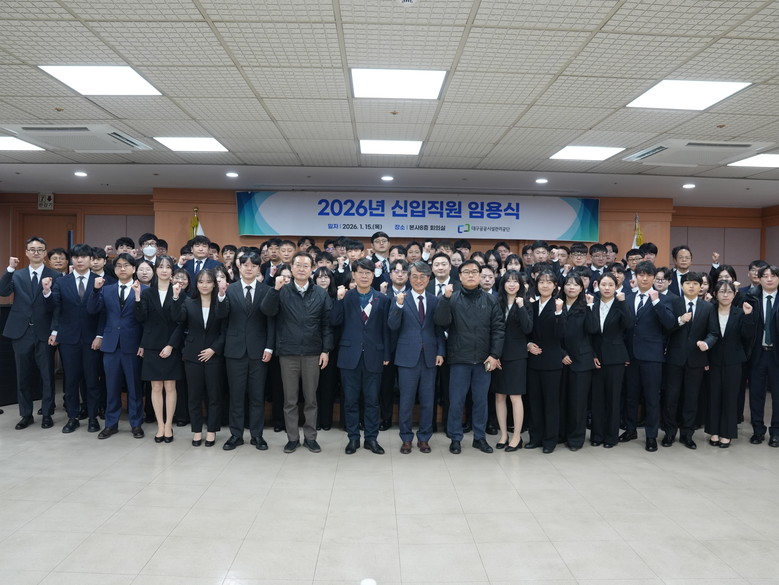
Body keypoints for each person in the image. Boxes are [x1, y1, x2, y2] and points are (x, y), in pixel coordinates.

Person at [261, 252, 333, 453]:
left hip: (312, 352)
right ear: (291, 268)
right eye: (298, 265)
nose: (301, 269)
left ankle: (310, 437)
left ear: (312, 269)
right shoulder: (281, 290)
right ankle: (292, 438)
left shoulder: (320, 293)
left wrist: (325, 350)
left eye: (306, 265)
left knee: (311, 399)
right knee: (290, 400)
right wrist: (275, 289)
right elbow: (267, 311)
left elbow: (327, 325)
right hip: (288, 352)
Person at [434, 259, 505, 454]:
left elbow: (498, 330)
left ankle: (479, 438)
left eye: (475, 271)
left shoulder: (491, 300)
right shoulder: (452, 298)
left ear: (480, 275)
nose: (471, 275)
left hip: (484, 360)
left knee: (481, 401)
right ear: (460, 276)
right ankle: (455, 438)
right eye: (467, 272)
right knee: (456, 402)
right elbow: (441, 322)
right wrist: (445, 299)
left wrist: (494, 355)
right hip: (459, 359)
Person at [330, 257, 391, 454]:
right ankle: (353, 438)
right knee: (350, 400)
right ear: (354, 275)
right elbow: (334, 321)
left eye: (368, 273)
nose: (364, 276)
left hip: (375, 355)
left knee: (372, 401)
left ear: (373, 275)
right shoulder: (346, 297)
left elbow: (386, 329)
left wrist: (386, 353)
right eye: (360, 273)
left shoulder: (383, 299)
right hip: (349, 356)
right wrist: (338, 300)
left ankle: (371, 439)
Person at [1, 236, 60, 429]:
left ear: (45, 253)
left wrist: (55, 330)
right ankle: (25, 414)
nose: (36, 252)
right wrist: (10, 269)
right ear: (26, 252)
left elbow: (58, 307)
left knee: (47, 376)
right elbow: (3, 291)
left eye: (40, 249)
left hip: (44, 332)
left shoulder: (55, 275)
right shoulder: (17, 275)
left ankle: (47, 414)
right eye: (32, 249)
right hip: (21, 331)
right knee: (23, 375)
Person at [387, 260, 445, 454]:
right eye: (414, 276)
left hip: (429, 357)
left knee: (428, 400)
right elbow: (392, 325)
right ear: (409, 278)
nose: (418, 280)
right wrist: (398, 305)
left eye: (422, 277)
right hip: (406, 358)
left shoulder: (435, 300)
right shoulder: (400, 298)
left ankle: (424, 438)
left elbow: (439, 330)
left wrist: (440, 351)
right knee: (406, 400)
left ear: (428, 279)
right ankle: (406, 438)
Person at [219, 252, 275, 451]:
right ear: (239, 267)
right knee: (236, 395)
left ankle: (257, 435)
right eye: (245, 265)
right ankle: (236, 435)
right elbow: (221, 316)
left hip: (259, 351)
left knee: (257, 396)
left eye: (253, 265)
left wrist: (269, 346)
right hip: (234, 351)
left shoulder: (267, 290)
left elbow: (271, 322)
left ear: (259, 268)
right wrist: (221, 295)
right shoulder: (230, 289)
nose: (249, 268)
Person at [87, 253, 146, 439]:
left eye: (126, 265)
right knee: (111, 387)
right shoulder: (107, 289)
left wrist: (143, 343)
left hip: (133, 345)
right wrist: (95, 291)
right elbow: (92, 310)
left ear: (134, 269)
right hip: (111, 345)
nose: (122, 268)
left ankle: (136, 424)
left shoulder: (144, 289)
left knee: (134, 387)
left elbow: (146, 321)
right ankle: (111, 424)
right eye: (119, 265)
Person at [47, 243, 102, 434]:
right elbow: (55, 308)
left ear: (91, 259)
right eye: (76, 257)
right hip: (68, 338)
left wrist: (99, 335)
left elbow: (104, 313)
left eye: (84, 257)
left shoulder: (100, 281)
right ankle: (73, 417)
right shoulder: (62, 282)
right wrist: (46, 292)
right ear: (72, 259)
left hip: (92, 339)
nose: (80, 260)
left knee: (92, 380)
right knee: (70, 380)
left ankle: (93, 417)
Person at [622, 261, 676, 452]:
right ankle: (630, 430)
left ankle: (651, 436)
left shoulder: (664, 299)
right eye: (641, 275)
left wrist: (656, 302)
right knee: (630, 396)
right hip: (630, 356)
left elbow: (670, 324)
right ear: (635, 276)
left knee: (652, 397)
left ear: (654, 278)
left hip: (652, 357)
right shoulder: (627, 298)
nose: (644, 278)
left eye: (648, 275)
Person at [663, 272, 719, 449]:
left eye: (696, 283)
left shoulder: (708, 307)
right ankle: (669, 433)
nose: (692, 286)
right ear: (682, 286)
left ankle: (687, 434)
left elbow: (713, 332)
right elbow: (665, 327)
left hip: (696, 359)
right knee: (671, 397)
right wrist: (679, 320)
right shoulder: (673, 303)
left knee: (691, 398)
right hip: (674, 359)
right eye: (688, 283)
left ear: (701, 286)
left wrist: (707, 344)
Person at [173, 269, 227, 447]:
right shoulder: (188, 302)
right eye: (201, 281)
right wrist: (176, 297)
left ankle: (211, 431)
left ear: (214, 284)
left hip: (213, 355)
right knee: (194, 395)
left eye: (209, 281)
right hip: (192, 355)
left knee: (214, 395)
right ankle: (197, 430)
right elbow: (178, 319)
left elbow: (225, 330)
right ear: (196, 284)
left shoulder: (220, 302)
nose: (205, 285)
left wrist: (214, 349)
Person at [135, 256, 183, 443]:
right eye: (161, 267)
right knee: (155, 386)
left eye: (168, 267)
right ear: (156, 270)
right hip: (152, 345)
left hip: (171, 345)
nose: (164, 270)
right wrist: (137, 297)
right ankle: (160, 425)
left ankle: (169, 425)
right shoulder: (147, 293)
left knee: (170, 386)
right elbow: (141, 319)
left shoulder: (178, 291)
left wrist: (171, 345)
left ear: (172, 271)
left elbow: (180, 322)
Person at [707, 280, 754, 448]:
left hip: (734, 361)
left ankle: (727, 433)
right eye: (721, 291)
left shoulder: (740, 312)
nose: (725, 295)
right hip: (713, 360)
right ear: (715, 294)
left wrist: (748, 316)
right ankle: (713, 431)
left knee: (730, 397)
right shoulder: (709, 311)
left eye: (729, 292)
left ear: (735, 295)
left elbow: (748, 336)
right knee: (713, 396)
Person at [525, 267, 566, 454]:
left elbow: (561, 334)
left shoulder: (559, 306)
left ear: (555, 286)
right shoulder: (531, 306)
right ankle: (535, 437)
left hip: (552, 362)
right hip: (533, 361)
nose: (545, 285)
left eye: (549, 282)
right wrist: (527, 345)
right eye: (541, 282)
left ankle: (550, 440)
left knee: (551, 402)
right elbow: (525, 331)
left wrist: (558, 313)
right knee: (534, 401)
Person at [590, 272, 632, 448]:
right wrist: (592, 354)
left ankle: (610, 437)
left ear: (616, 287)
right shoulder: (593, 304)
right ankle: (597, 435)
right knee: (597, 399)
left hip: (616, 358)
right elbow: (589, 333)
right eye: (604, 284)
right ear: (597, 286)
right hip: (596, 357)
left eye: (610, 285)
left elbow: (629, 324)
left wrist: (622, 303)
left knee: (613, 399)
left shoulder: (620, 304)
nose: (607, 288)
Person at [493, 270, 532, 452]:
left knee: (515, 396)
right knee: (499, 396)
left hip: (517, 356)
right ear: (502, 284)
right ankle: (503, 435)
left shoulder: (526, 303)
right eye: (508, 281)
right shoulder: (496, 302)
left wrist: (521, 306)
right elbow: (492, 329)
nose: (511, 284)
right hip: (498, 355)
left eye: (515, 281)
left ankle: (516, 436)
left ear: (521, 285)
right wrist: (495, 354)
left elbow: (528, 328)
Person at [559, 274, 598, 451]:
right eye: (568, 284)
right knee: (561, 400)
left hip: (581, 361)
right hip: (560, 359)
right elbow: (551, 333)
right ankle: (561, 434)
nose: (571, 287)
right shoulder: (557, 305)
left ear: (581, 288)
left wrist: (590, 307)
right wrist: (561, 353)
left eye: (575, 285)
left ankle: (575, 438)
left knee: (578, 402)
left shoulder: (586, 306)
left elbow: (593, 329)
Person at [745, 264, 779, 447]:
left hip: (776, 354)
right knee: (756, 395)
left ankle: (776, 432)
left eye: (773, 275)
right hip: (757, 353)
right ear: (759, 279)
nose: (769, 279)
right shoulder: (751, 298)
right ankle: (758, 431)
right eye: (765, 276)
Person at [313, 266, 339, 430]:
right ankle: (314, 421)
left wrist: (328, 348)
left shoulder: (337, 298)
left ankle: (326, 421)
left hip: (332, 348)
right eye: (319, 277)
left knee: (328, 386)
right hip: (313, 347)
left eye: (326, 277)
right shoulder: (310, 296)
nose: (323, 280)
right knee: (313, 387)